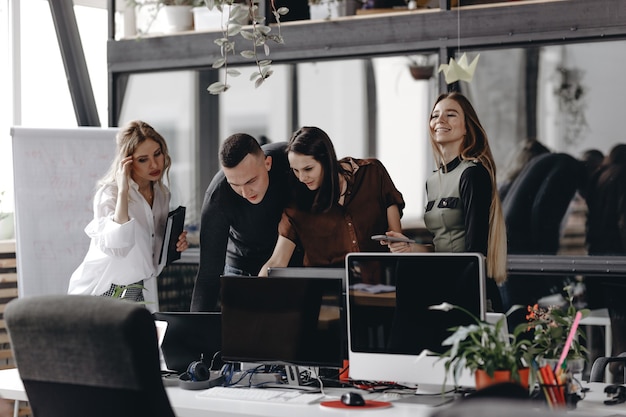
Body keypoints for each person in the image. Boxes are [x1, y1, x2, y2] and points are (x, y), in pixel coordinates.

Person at [384, 92, 506, 313]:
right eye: (435, 115)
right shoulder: (432, 181)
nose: (440, 120)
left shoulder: (473, 174)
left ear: (467, 127)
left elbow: (475, 252)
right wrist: (408, 247)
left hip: (466, 291)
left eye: (450, 115)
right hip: (441, 283)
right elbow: (440, 248)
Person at [68, 120, 189, 304]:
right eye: (143, 159)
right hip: (103, 290)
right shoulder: (110, 194)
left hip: (138, 289)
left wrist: (175, 242)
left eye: (157, 154)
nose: (154, 164)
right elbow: (117, 246)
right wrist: (124, 191)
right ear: (129, 162)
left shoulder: (162, 194)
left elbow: (153, 247)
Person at [258, 126, 405, 274]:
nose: (302, 178)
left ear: (326, 160)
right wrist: (253, 292)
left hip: (376, 287)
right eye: (296, 170)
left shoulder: (372, 173)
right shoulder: (297, 204)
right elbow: (277, 261)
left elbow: (395, 240)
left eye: (308, 169)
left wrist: (399, 246)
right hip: (323, 291)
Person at [190, 134, 291, 311]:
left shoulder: (290, 162)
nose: (245, 192)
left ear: (267, 163)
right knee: (240, 336)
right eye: (235, 184)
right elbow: (208, 275)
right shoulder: (218, 195)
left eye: (251, 181)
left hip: (291, 263)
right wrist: (195, 333)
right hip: (242, 269)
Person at [585, 144, 626, 381]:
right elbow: (623, 222)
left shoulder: (600, 176)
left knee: (604, 337)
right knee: (621, 336)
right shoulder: (623, 176)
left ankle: (599, 387)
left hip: (597, 261)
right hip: (619, 262)